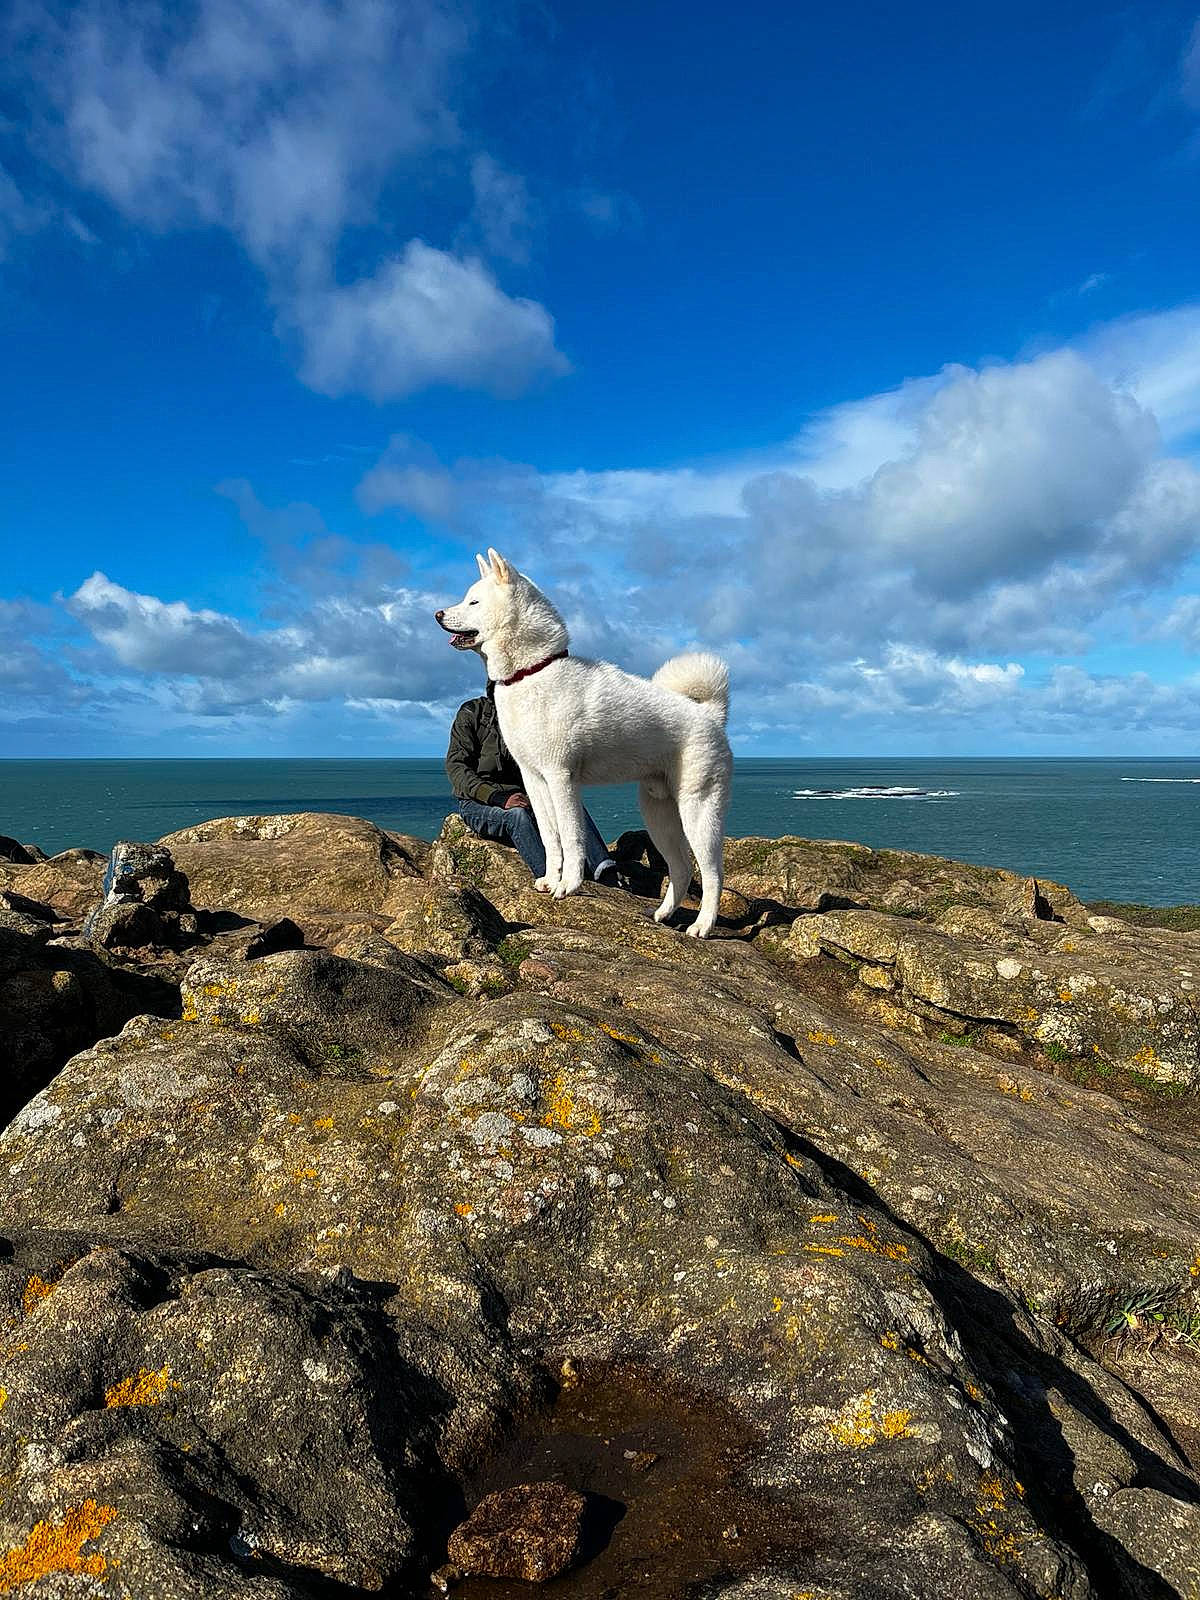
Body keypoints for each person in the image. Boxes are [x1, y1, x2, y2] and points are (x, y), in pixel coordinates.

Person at [446, 680, 620, 886]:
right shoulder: (472, 713)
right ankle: (548, 876)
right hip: (477, 803)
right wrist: (498, 797)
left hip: (521, 797)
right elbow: (456, 768)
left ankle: (603, 868)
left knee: (564, 800)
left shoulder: (526, 722)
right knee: (516, 817)